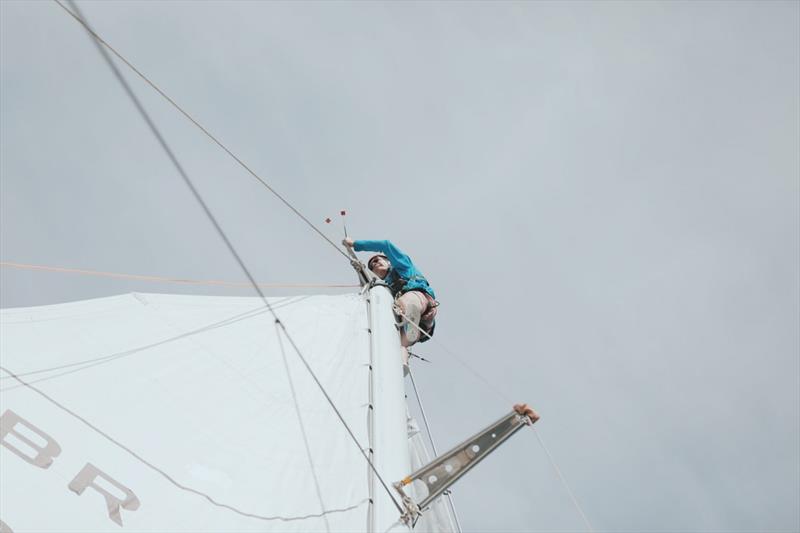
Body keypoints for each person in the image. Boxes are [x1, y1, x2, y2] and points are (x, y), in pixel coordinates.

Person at [343, 238, 437, 346]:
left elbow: (385, 245)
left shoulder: (403, 267)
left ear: (389, 261)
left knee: (404, 302)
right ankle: (405, 346)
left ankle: (411, 325)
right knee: (397, 346)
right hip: (415, 326)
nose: (375, 264)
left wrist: (354, 244)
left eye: (377, 260)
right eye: (372, 267)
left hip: (420, 301)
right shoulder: (382, 288)